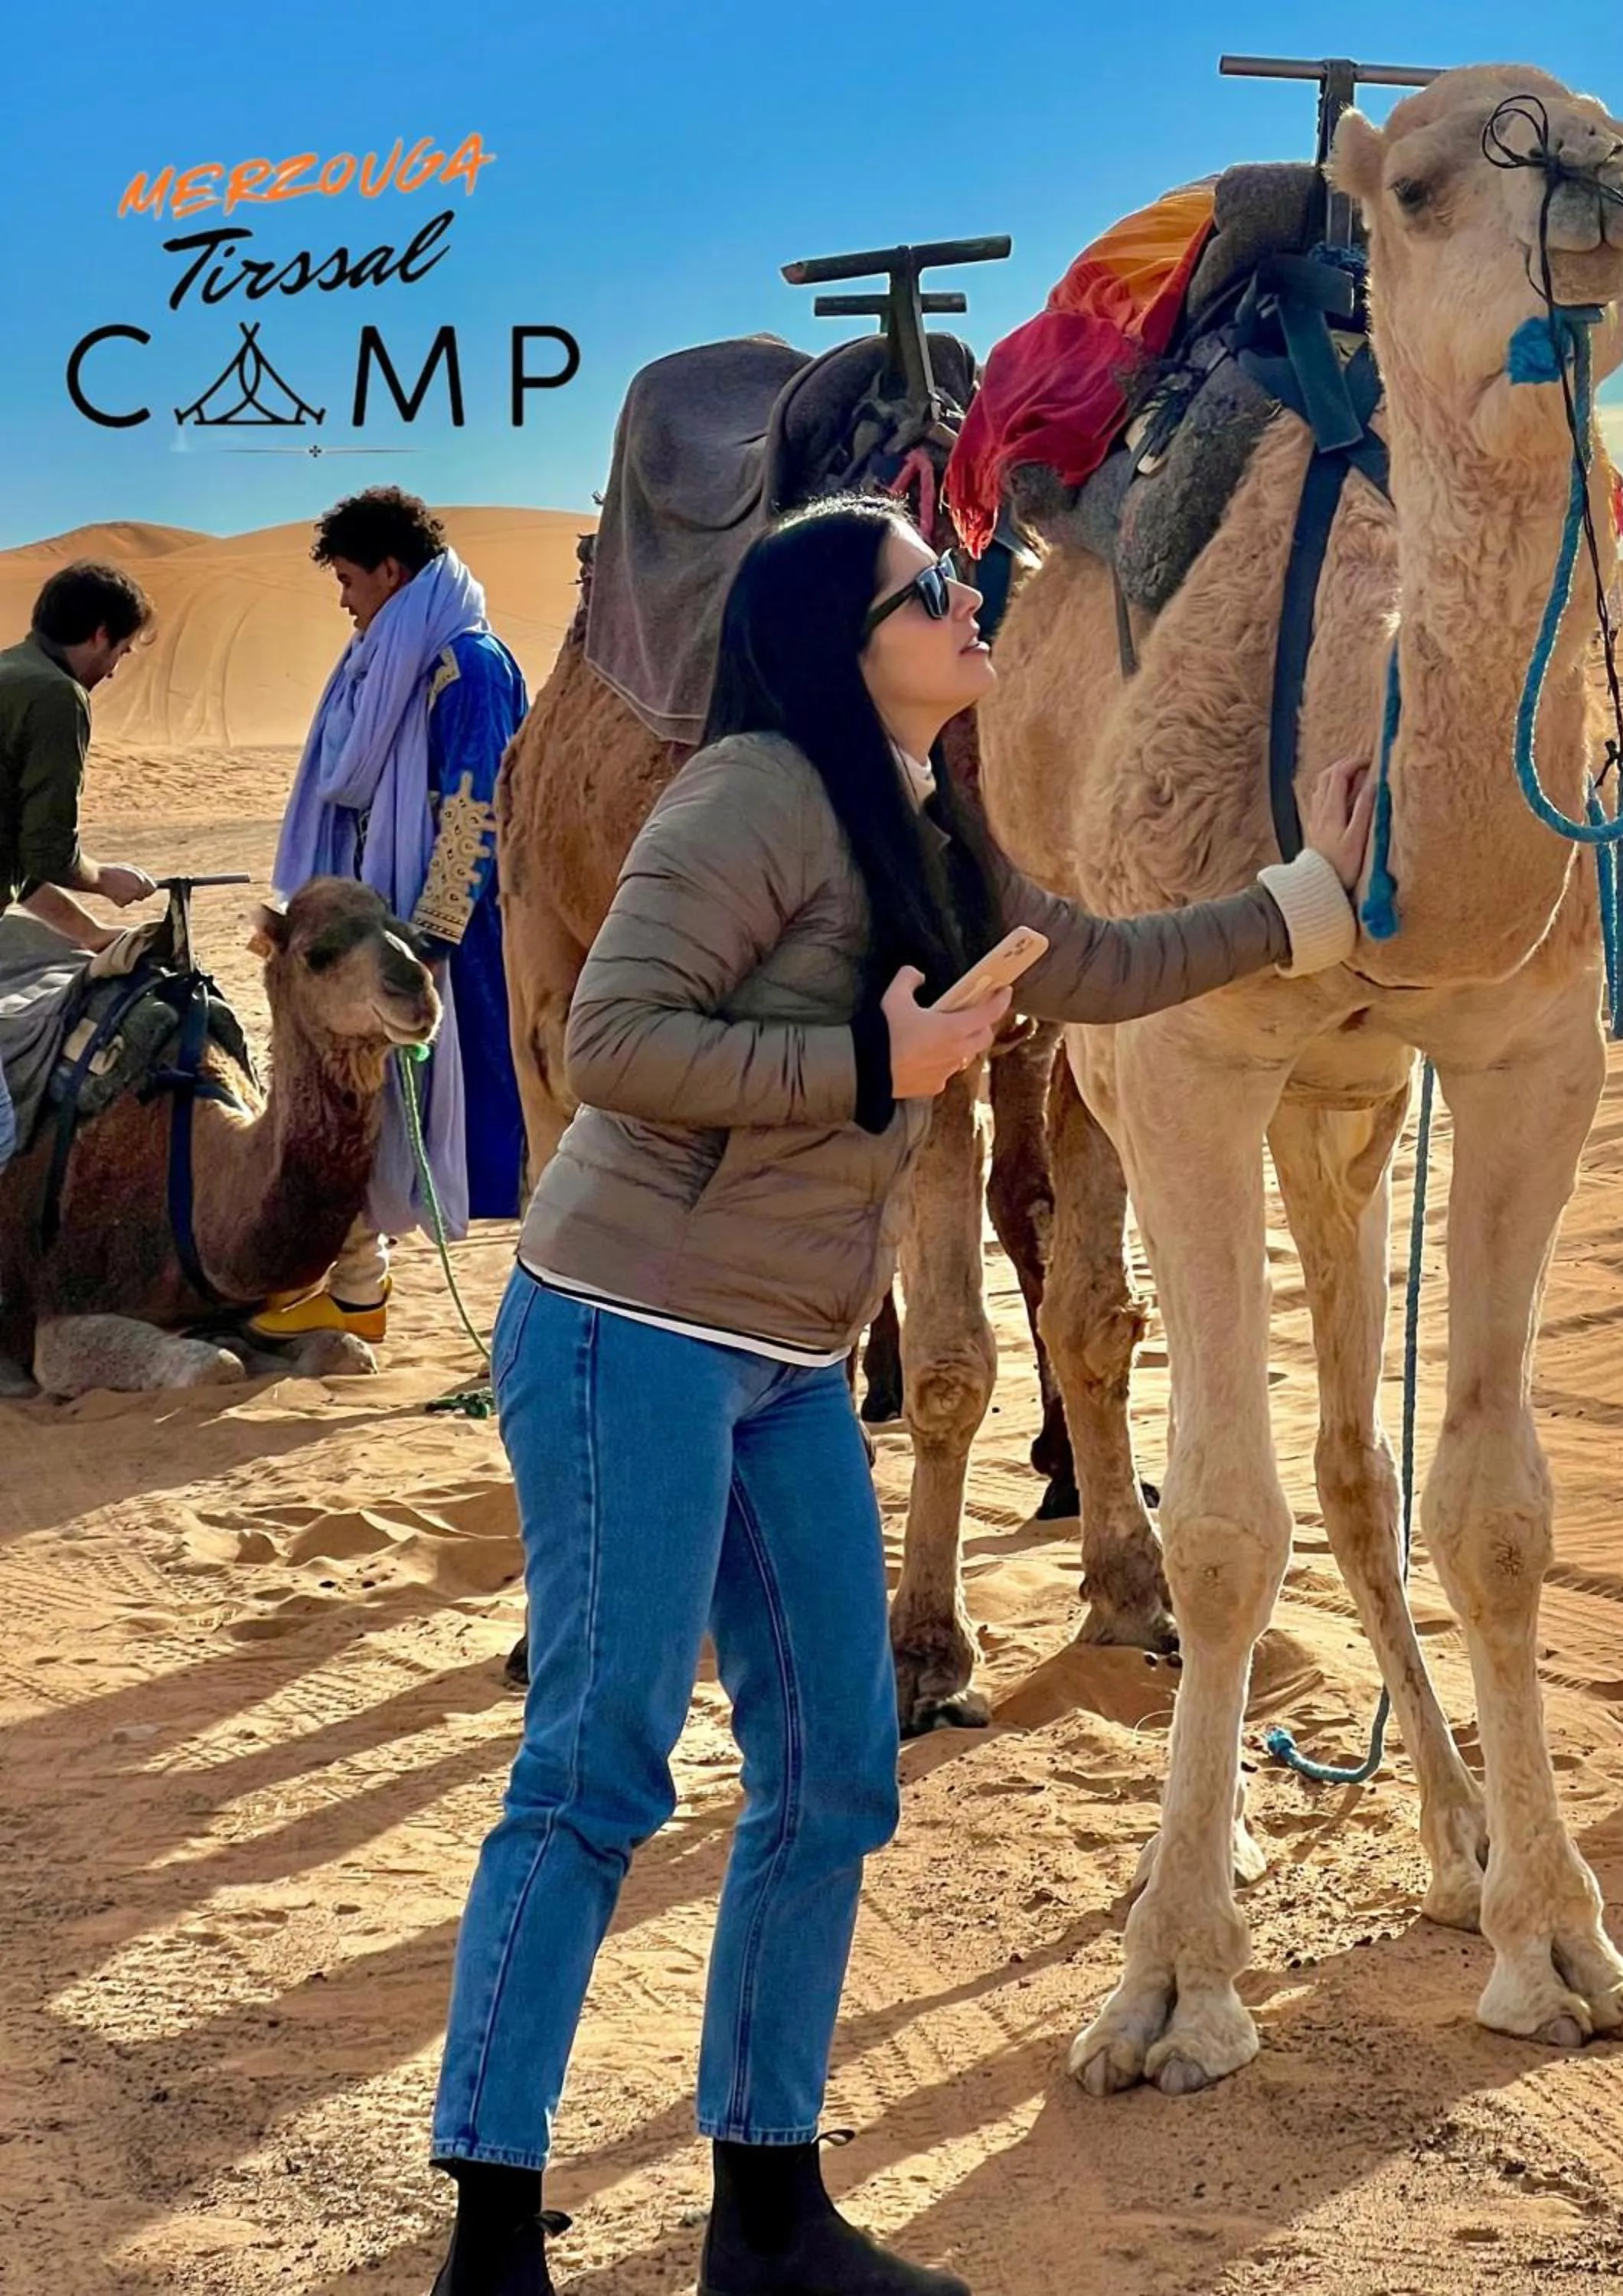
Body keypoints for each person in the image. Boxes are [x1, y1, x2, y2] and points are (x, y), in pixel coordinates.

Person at [425, 495, 1377, 2296]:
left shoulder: (931, 816)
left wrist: (1295, 911)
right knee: (598, 1765)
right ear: (837, 643)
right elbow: (616, 1039)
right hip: (631, 1322)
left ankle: (768, 2211)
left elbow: (1077, 961)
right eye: (923, 591)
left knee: (838, 1768)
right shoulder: (749, 799)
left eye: (958, 577)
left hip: (784, 1361)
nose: (965, 599)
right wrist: (875, 1055)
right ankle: (488, 2232)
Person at [257, 488, 530, 1346]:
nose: (343, 600)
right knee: (360, 1101)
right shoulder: (386, 665)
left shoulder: (468, 665)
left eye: (348, 580)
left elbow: (474, 802)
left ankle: (545, 1329)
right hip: (384, 924)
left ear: (390, 571)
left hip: (459, 940)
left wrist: (434, 935)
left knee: (505, 1127)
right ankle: (356, 1286)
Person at [0, 560, 158, 954]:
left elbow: (15, 855)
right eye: (122, 651)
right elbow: (47, 851)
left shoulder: (11, 672)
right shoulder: (56, 695)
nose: (112, 673)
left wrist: (89, 932)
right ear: (100, 635)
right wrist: (102, 878)